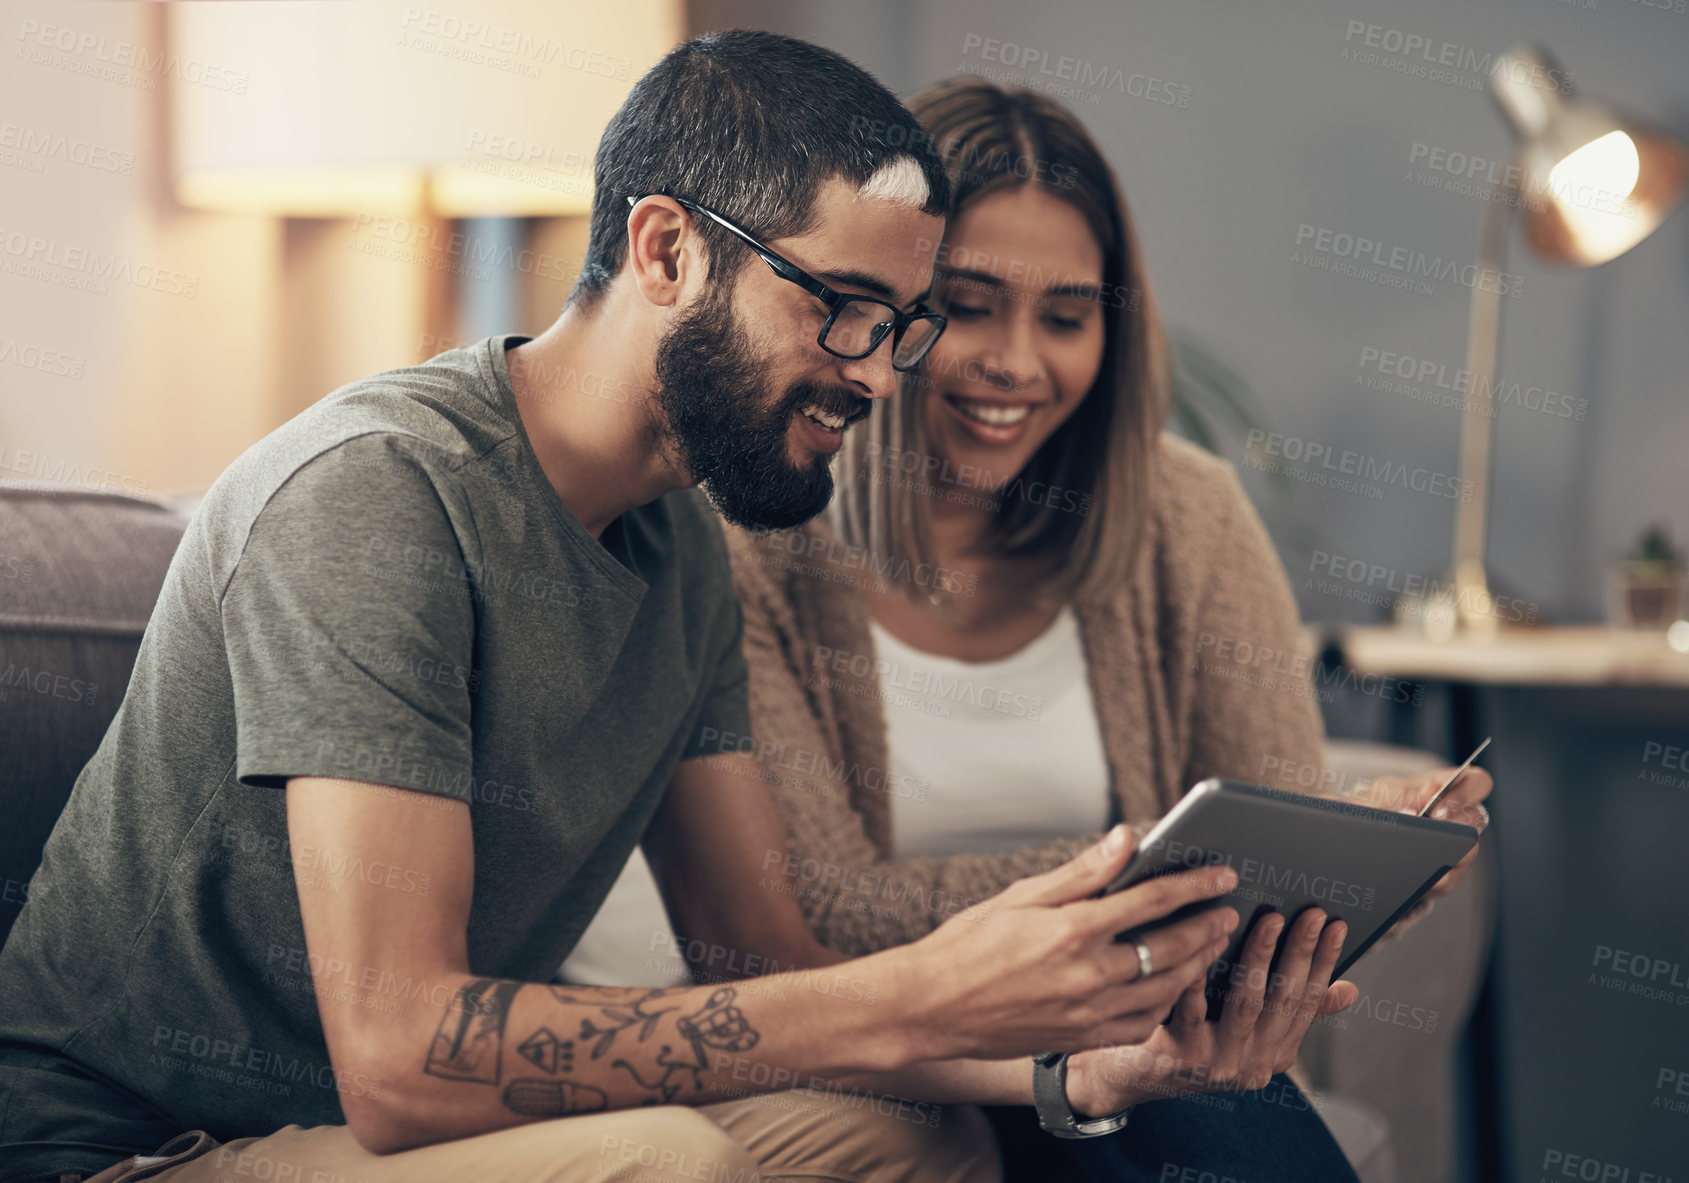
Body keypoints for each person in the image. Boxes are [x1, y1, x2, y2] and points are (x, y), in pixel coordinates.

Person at [0, 32, 1354, 1183]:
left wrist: (1082, 1072)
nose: (879, 378)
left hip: (369, 1126)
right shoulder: (378, 498)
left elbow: (760, 962)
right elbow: (404, 1061)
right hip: (142, 1144)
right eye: (842, 308)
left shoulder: (681, 543)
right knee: (670, 1163)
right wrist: (913, 985)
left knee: (907, 1133)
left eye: (900, 325)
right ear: (664, 248)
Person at [563, 76, 1492, 1180]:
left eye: (1065, 317)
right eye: (964, 304)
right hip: (867, 1055)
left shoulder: (1184, 515)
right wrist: (1153, 874)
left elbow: (1261, 856)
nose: (1016, 361)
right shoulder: (748, 533)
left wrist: (1355, 860)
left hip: (1137, 1031)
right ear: (884, 299)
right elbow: (815, 912)